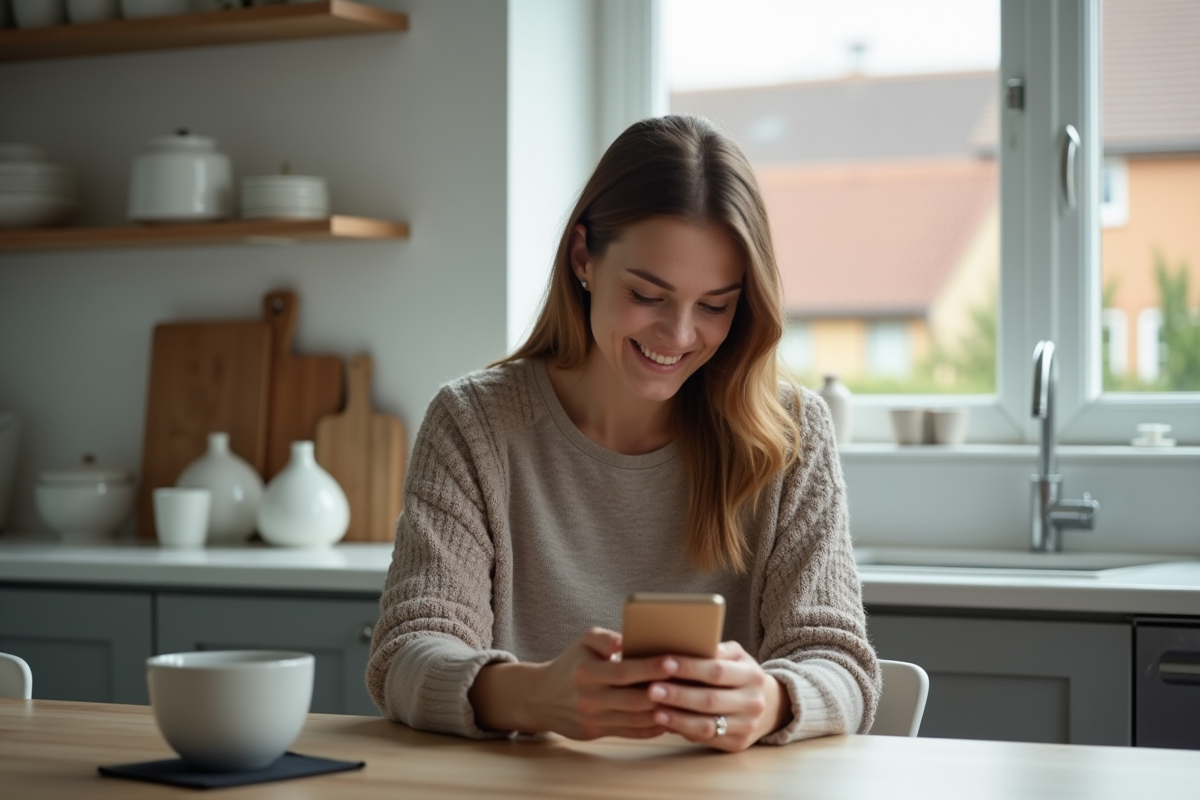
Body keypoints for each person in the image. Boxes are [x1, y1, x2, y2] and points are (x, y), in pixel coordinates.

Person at [366, 115, 879, 752]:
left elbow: (840, 663)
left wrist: (773, 701)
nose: (680, 335)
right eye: (647, 294)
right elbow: (406, 652)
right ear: (584, 257)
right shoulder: (475, 426)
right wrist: (536, 695)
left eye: (715, 305)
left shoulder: (790, 435)